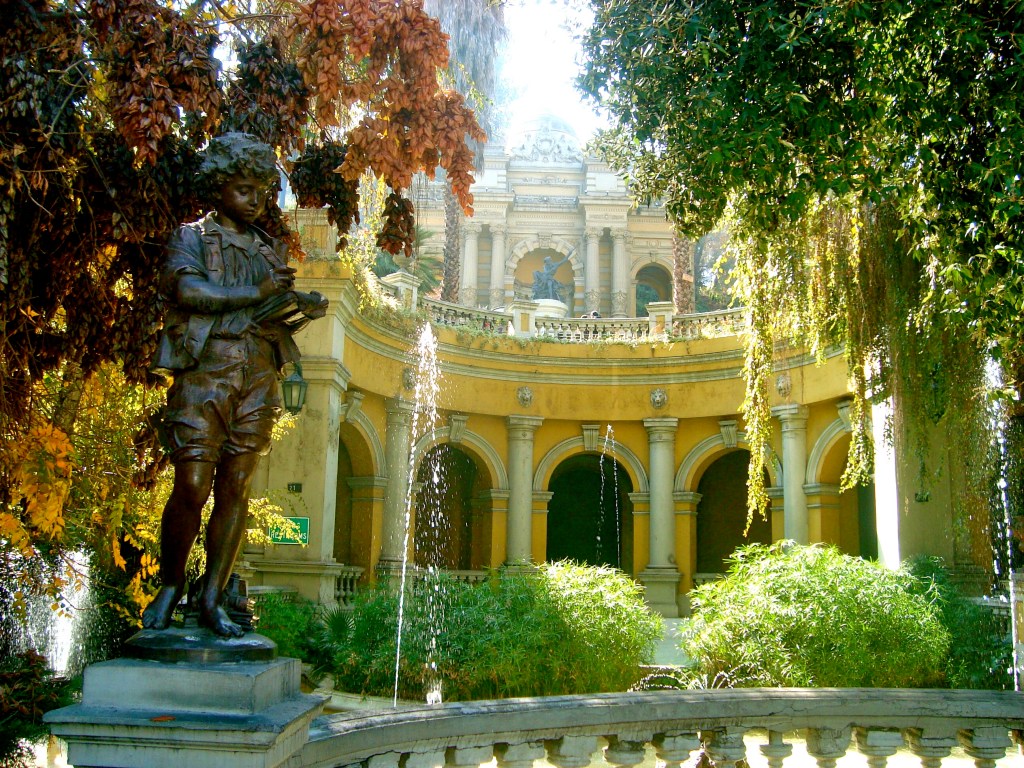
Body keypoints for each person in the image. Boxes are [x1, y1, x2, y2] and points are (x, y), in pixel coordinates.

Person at [142, 133, 327, 637]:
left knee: (236, 486)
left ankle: (212, 596)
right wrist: (257, 291)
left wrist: (298, 305)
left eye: (262, 192)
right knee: (192, 483)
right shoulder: (191, 237)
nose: (255, 201)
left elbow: (268, 308)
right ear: (219, 186)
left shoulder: (267, 250)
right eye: (244, 190)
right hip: (206, 371)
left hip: (258, 372)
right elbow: (188, 290)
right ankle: (170, 584)